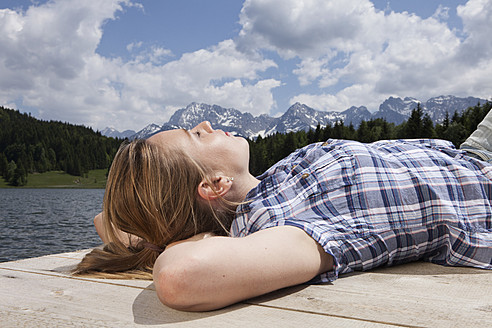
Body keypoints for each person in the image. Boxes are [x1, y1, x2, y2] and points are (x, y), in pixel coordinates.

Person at [75, 110, 492, 312]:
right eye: (194, 136)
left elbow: (107, 221)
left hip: (472, 154)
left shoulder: (272, 185)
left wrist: (146, 236)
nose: (203, 125)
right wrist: (195, 235)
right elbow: (181, 276)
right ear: (214, 185)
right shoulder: (281, 231)